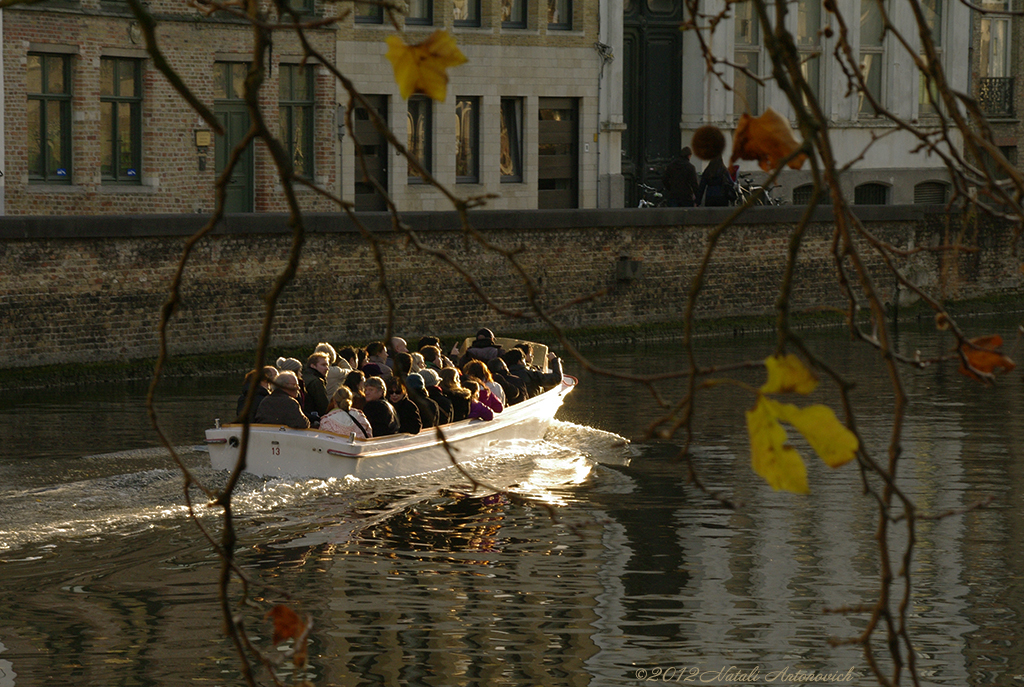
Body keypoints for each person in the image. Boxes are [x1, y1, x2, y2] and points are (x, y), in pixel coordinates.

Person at [301, 351, 331, 422]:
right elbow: (323, 407)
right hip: (313, 420)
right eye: (323, 365)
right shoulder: (316, 382)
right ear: (313, 366)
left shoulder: (304, 377)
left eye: (327, 365)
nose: (327, 368)